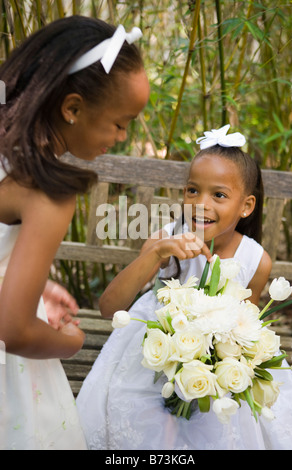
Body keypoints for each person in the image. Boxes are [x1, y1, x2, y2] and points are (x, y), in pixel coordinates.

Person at [76, 125, 292, 450]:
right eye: (192, 191)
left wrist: (225, 361)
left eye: (218, 195)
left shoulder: (256, 259)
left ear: (246, 206)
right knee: (145, 417)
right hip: (153, 355)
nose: (200, 203)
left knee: (230, 420)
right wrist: (157, 252)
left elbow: (245, 323)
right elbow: (110, 308)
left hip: (214, 363)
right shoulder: (166, 241)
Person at [0, 15, 149, 450]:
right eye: (121, 123)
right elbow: (14, 331)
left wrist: (30, 284)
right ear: (72, 108)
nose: (122, 137)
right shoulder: (47, 191)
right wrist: (70, 342)